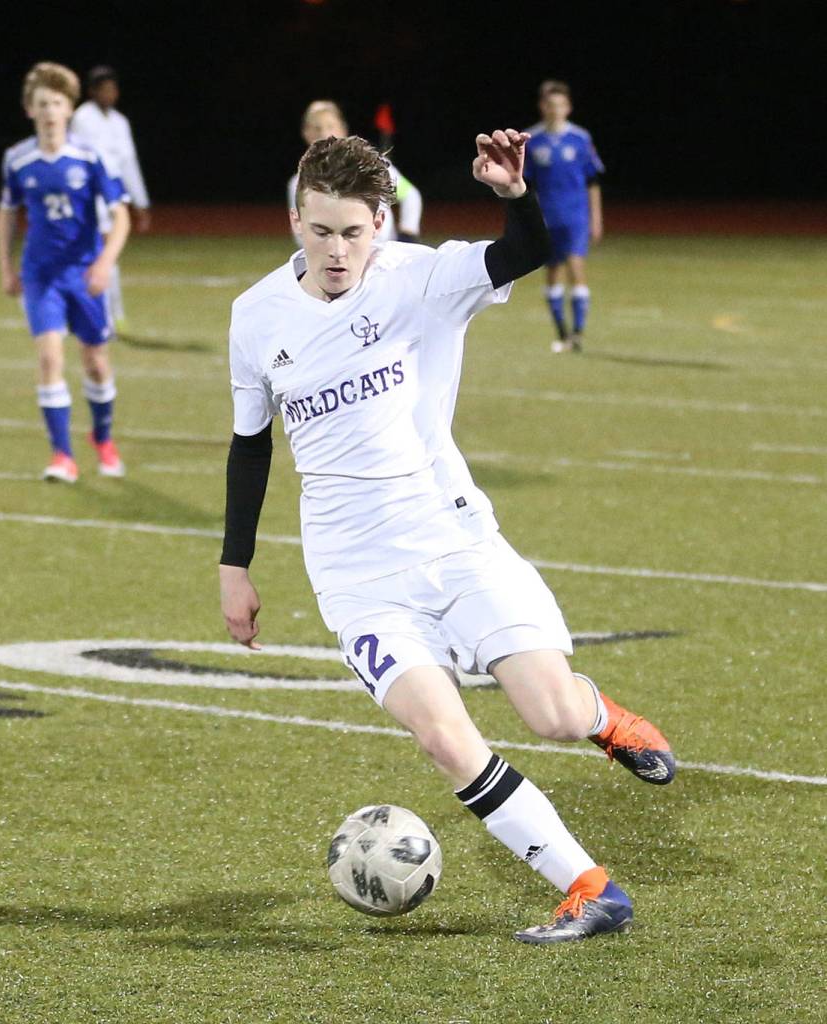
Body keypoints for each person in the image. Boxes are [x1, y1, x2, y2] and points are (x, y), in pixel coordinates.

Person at [219, 130, 675, 943]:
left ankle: (598, 715)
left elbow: (530, 248)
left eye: (353, 232)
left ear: (381, 223)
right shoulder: (254, 317)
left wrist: (511, 195)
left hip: (452, 541)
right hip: (354, 574)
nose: (335, 251)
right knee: (441, 734)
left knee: (551, 716)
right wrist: (235, 566)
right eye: (319, 230)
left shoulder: (421, 277)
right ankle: (589, 887)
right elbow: (251, 442)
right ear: (295, 219)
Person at [0, 61, 130, 482]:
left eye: (57, 102)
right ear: (29, 110)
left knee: (95, 363)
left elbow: (120, 215)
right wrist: (6, 267)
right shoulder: (18, 159)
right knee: (49, 358)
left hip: (85, 274)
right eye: (42, 104)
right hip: (40, 276)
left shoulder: (89, 158)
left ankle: (103, 440)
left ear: (69, 108)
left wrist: (105, 263)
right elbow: (6, 214)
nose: (50, 111)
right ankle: (62, 456)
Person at [523, 80, 604, 353]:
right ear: (542, 107)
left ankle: (578, 333)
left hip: (576, 216)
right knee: (553, 272)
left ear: (567, 107)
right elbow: (524, 185)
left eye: (559, 104)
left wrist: (596, 219)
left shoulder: (580, 138)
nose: (555, 109)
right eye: (550, 104)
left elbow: (593, 181)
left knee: (575, 266)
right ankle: (562, 333)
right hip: (547, 216)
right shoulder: (531, 140)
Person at [71, 65, 151, 335]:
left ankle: (111, 316)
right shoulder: (82, 118)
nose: (110, 93)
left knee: (106, 256)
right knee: (103, 255)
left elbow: (128, 162)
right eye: (104, 88)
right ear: (92, 91)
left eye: (113, 88)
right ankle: (106, 317)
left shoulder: (120, 121)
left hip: (113, 194)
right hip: (91, 193)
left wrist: (140, 200)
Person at [286, 100, 422, 245]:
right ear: (306, 133)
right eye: (317, 128)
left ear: (343, 129)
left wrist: (407, 234)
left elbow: (410, 196)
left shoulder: (372, 166)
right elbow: (301, 229)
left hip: (382, 256)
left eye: (330, 126)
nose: (324, 134)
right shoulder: (298, 182)